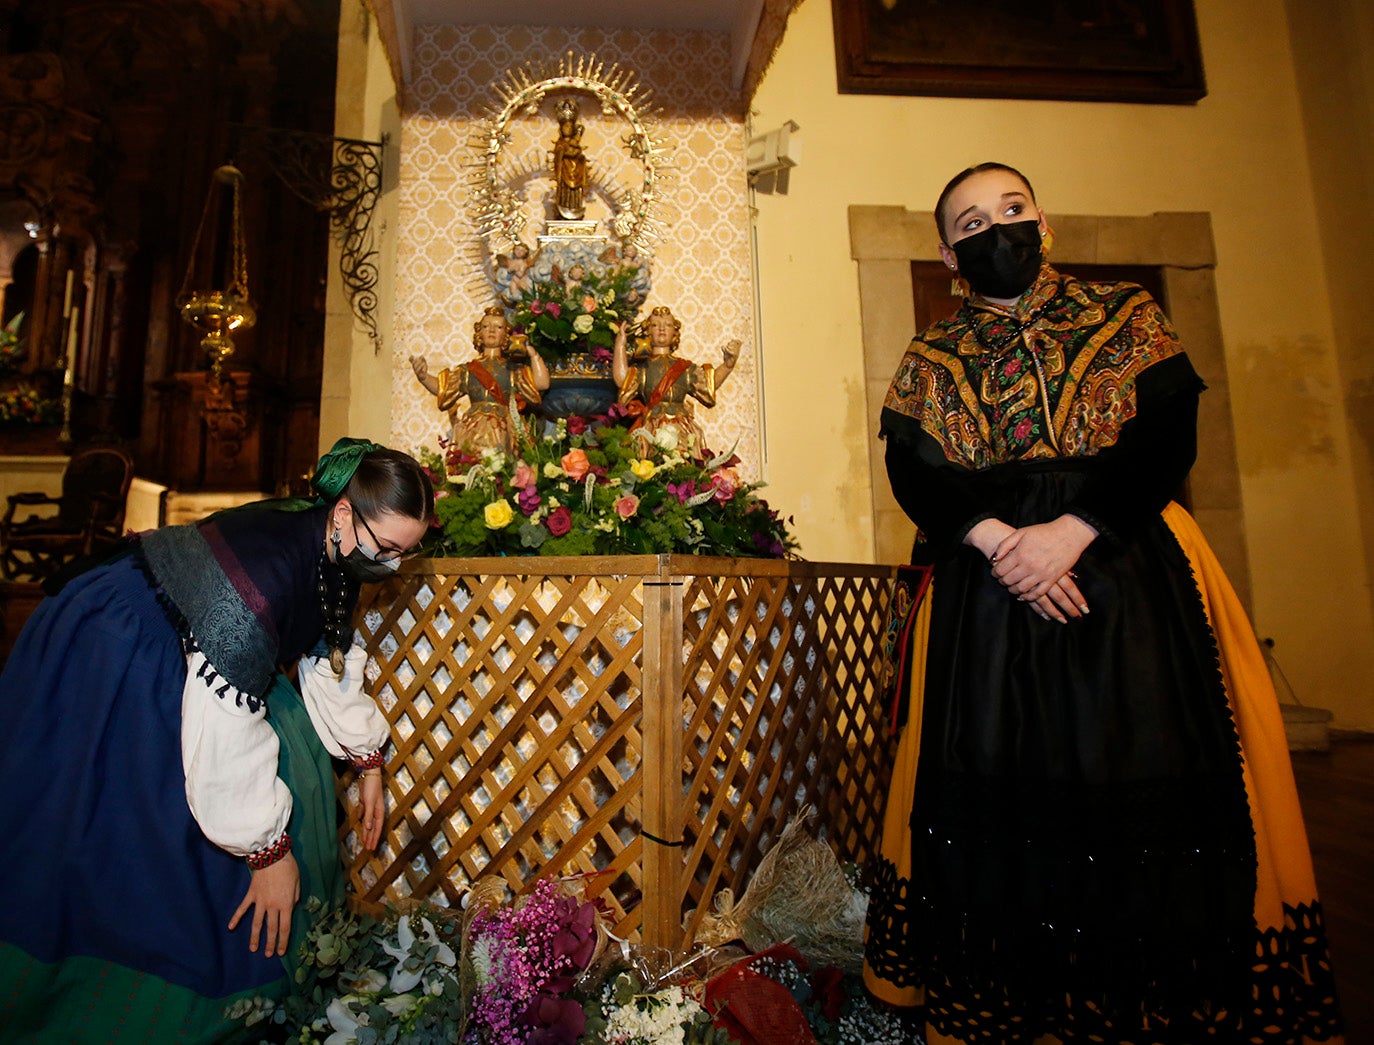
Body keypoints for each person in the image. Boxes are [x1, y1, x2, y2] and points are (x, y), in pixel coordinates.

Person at [863, 162, 1344, 1044]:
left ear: (1043, 224)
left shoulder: (1125, 314)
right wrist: (1002, 543)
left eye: (1012, 209)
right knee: (1001, 778)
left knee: (1144, 755)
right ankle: (1017, 992)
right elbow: (912, 470)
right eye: (971, 222)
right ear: (946, 253)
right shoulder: (931, 355)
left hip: (1131, 573)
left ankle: (1158, 993)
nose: (995, 229)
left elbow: (1168, 436)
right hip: (987, 592)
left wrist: (1074, 528)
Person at [0, 437, 434, 1042]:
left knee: (298, 768)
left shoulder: (335, 544)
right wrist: (267, 855)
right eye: (387, 547)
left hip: (195, 644)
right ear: (342, 513)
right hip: (120, 639)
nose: (389, 565)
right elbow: (226, 727)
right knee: (125, 819)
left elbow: (322, 647)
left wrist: (369, 763)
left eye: (402, 555)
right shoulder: (270, 569)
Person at [410, 305, 550, 456]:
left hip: (502, 427)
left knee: (500, 468)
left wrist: (533, 354)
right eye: (486, 326)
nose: (491, 330)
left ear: (506, 335)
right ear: (479, 333)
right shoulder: (468, 369)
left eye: (498, 327)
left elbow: (542, 383)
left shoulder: (512, 369)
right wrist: (423, 377)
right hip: (473, 428)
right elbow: (443, 388)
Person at [612, 306, 740, 457]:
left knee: (685, 461)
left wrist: (727, 365)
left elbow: (707, 384)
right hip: (652, 426)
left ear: (675, 332)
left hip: (681, 427)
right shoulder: (644, 368)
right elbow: (623, 379)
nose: (661, 328)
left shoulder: (685, 368)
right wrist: (620, 346)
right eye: (655, 325)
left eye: (667, 325)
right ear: (647, 332)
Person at [551, 98, 587, 221]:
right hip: (565, 173)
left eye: (570, 126)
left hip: (575, 172)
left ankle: (575, 209)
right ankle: (563, 210)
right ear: (561, 128)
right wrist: (568, 153)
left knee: (576, 192)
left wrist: (580, 157)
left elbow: (578, 154)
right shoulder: (560, 144)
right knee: (565, 192)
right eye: (565, 126)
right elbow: (560, 155)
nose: (568, 129)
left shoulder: (575, 143)